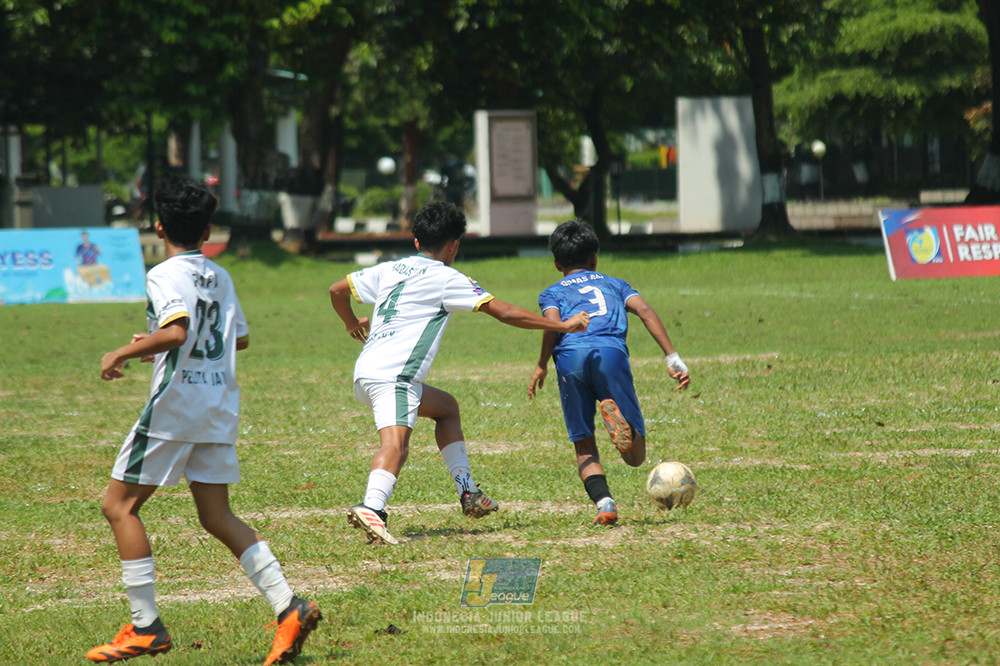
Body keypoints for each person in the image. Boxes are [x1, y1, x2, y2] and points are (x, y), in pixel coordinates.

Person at [88, 174, 320, 665]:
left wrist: (124, 351)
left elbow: (177, 332)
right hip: (217, 403)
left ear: (158, 227)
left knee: (119, 507)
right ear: (208, 230)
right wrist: (155, 341)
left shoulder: (163, 273)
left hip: (177, 407)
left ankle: (146, 628)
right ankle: (289, 605)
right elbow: (238, 339)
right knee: (216, 515)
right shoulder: (220, 275)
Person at [329, 201, 590, 545]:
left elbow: (337, 290)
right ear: (453, 245)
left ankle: (468, 493)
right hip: (395, 376)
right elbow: (505, 312)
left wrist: (351, 322)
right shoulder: (447, 278)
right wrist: (563, 326)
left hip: (366, 372)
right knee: (396, 445)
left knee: (446, 408)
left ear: (417, 241)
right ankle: (372, 507)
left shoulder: (390, 269)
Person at [528, 219, 690, 526]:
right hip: (610, 354)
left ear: (557, 263)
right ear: (595, 258)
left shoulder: (552, 292)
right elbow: (645, 311)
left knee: (584, 443)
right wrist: (672, 357)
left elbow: (552, 325)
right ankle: (621, 424)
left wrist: (541, 364)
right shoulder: (616, 284)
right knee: (635, 457)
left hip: (570, 358)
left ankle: (605, 504)